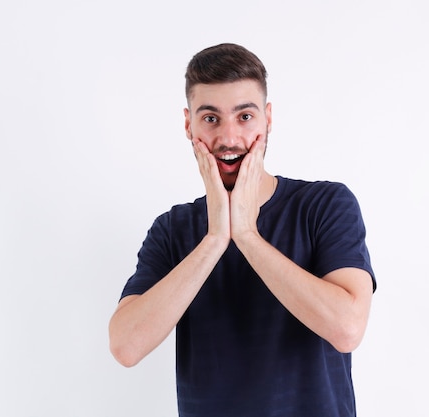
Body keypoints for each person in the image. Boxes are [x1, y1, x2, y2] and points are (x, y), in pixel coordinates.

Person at [109, 43, 377, 417]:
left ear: (268, 118)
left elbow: (348, 329)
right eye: (211, 119)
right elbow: (126, 345)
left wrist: (247, 236)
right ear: (189, 124)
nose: (229, 138)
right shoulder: (172, 229)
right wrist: (216, 238)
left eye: (245, 117)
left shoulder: (324, 205)